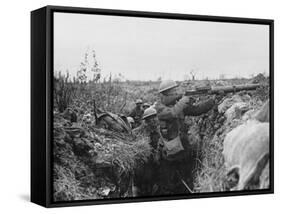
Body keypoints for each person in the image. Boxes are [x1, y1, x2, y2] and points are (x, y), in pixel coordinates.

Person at [154, 79, 217, 194]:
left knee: (186, 181)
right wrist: (183, 101)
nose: (176, 93)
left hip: (183, 149)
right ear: (165, 94)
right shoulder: (159, 107)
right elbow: (172, 113)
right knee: (168, 184)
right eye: (173, 91)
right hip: (168, 152)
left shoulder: (178, 104)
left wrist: (212, 101)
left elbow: (197, 110)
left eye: (175, 90)